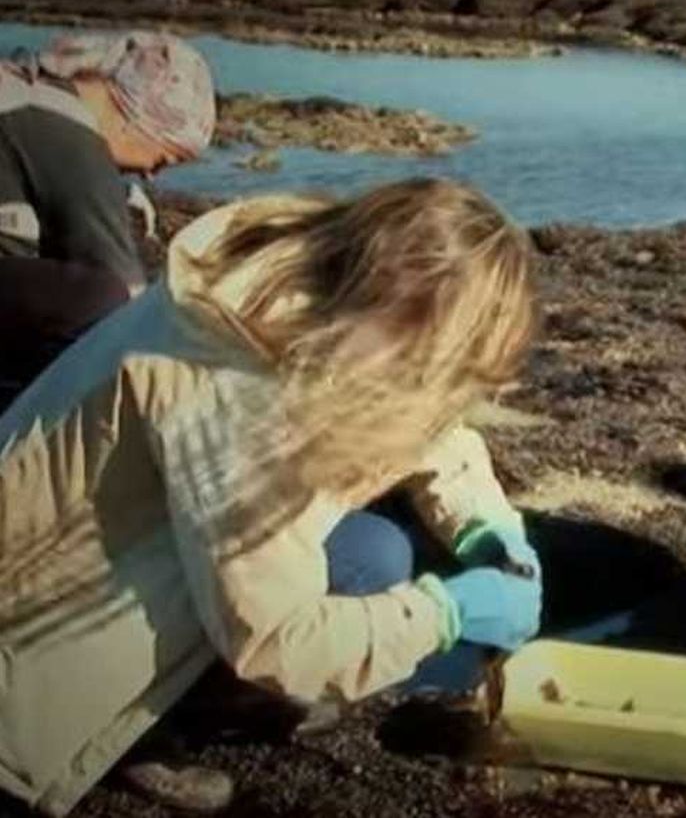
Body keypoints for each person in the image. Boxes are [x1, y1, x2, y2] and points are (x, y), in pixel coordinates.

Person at [0, 178, 542, 815]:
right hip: (24, 645)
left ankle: (162, 704)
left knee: (368, 554)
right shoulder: (232, 394)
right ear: (400, 320)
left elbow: (429, 418)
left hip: (126, 551)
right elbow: (281, 640)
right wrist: (442, 614)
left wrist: (484, 524)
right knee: (347, 585)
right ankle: (132, 725)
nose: (442, 390)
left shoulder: (316, 289)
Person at [0, 30, 216, 411]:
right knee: (103, 297)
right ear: (138, 113)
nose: (152, 174)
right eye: (166, 157)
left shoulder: (27, 92)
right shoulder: (68, 134)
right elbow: (126, 313)